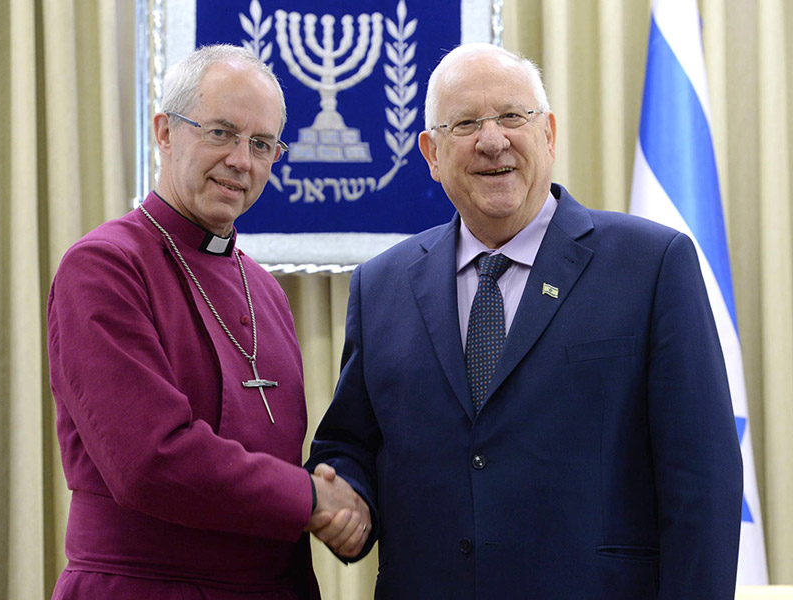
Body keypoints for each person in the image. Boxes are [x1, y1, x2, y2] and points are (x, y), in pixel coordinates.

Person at [306, 43, 742, 598]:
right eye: (465, 123)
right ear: (431, 153)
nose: (493, 141)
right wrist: (346, 497)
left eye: (513, 116)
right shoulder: (381, 285)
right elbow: (351, 445)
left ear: (549, 134)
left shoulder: (652, 265)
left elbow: (702, 483)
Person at [47, 44, 369, 600]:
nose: (242, 160)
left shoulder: (264, 288)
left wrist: (347, 510)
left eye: (262, 144)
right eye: (221, 132)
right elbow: (151, 460)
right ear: (165, 131)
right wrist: (315, 501)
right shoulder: (104, 266)